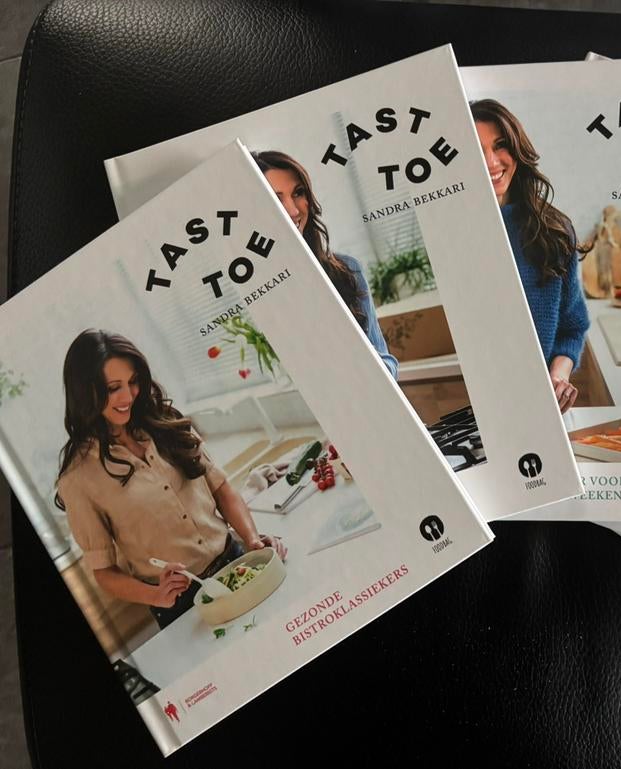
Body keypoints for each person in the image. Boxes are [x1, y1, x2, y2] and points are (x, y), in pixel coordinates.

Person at [56, 330, 287, 629]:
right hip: (179, 605)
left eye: (133, 381)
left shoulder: (166, 422)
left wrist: (252, 538)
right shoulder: (77, 479)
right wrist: (155, 595)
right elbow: (104, 572)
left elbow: (221, 489)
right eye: (113, 388)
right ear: (85, 392)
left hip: (236, 562)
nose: (127, 396)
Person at [470, 99, 590, 413]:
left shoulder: (554, 231)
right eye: (477, 150)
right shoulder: (455, 236)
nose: (492, 162)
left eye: (500, 146)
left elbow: (572, 328)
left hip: (541, 410)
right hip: (478, 409)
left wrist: (558, 377)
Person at [252, 150, 399, 380]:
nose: (293, 210)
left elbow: (386, 360)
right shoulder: (257, 290)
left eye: (298, 193)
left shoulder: (347, 270)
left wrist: (367, 366)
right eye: (276, 199)